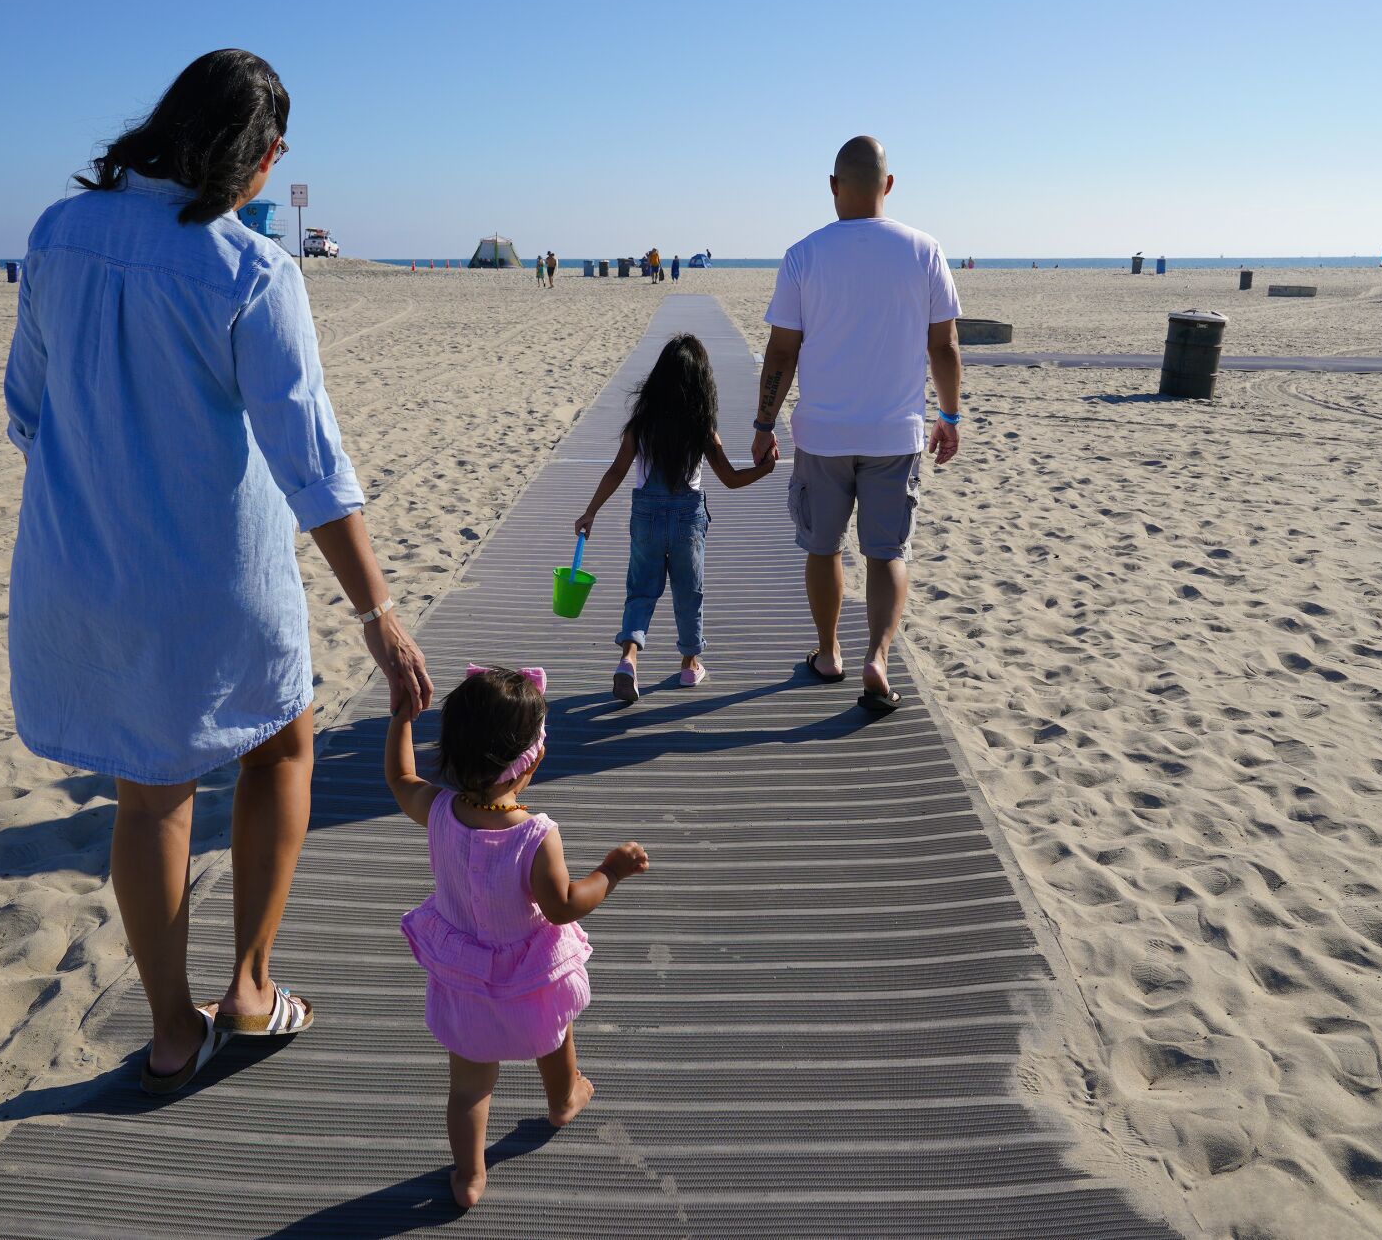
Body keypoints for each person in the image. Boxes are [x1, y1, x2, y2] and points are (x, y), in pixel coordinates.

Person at [4, 49, 434, 1095]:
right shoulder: (247, 269)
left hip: (79, 562)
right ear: (260, 155)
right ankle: (246, 985)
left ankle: (168, 1028)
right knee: (280, 742)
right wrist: (378, 611)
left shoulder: (58, 235)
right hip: (209, 570)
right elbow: (311, 465)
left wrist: (106, 474)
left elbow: (27, 406)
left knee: (147, 794)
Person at [386, 665, 650, 1208]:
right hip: (529, 973)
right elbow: (562, 907)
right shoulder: (535, 834)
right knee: (554, 1037)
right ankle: (564, 1099)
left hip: (464, 973)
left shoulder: (438, 809)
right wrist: (611, 871)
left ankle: (469, 1177)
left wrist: (399, 718)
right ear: (531, 760)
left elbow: (399, 777)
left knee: (468, 1087)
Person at [751, 135, 963, 714]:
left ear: (833, 186)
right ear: (888, 186)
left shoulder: (804, 254)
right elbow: (943, 346)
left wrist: (764, 423)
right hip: (895, 434)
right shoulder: (924, 250)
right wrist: (948, 415)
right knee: (887, 552)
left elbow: (780, 353)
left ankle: (828, 652)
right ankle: (879, 656)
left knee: (823, 550)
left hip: (822, 435)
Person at [574, 333, 775, 702]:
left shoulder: (641, 425)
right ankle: (688, 665)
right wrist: (764, 469)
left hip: (646, 517)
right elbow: (730, 479)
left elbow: (617, 470)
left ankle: (629, 660)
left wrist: (591, 511)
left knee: (640, 591)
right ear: (701, 382)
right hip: (687, 520)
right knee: (689, 593)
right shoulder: (701, 429)